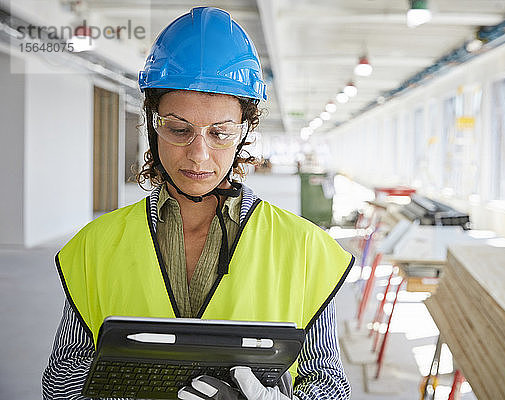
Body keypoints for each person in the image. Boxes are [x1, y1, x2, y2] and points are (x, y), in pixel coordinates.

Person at [42, 7, 354, 400]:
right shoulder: (95, 246)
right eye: (178, 129)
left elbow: (329, 384)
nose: (199, 156)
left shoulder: (306, 249)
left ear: (245, 129)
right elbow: (60, 380)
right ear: (152, 123)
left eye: (220, 133)